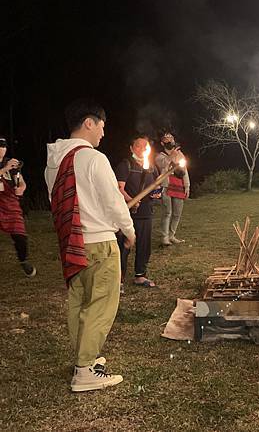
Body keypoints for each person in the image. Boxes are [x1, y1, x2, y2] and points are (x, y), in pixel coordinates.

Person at [45, 99, 135, 392]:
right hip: (100, 244)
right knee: (100, 306)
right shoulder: (94, 159)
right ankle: (84, 371)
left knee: (79, 303)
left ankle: (85, 358)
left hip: (73, 243)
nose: (103, 133)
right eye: (102, 126)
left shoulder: (53, 162)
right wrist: (129, 230)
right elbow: (114, 202)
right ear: (89, 123)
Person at [115, 135, 160, 289]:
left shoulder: (151, 167)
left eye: (144, 146)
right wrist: (130, 200)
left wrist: (157, 193)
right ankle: (118, 280)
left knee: (144, 245)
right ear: (131, 148)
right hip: (127, 213)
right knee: (124, 245)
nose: (141, 149)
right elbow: (119, 188)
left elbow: (156, 186)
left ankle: (140, 275)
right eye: (138, 146)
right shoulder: (126, 165)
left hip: (146, 212)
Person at [0, 136, 36, 277]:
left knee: (20, 234)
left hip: (10, 203)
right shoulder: (7, 165)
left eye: (3, 146)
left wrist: (21, 188)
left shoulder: (12, 164)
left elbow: (21, 182)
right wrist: (5, 168)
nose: (1, 149)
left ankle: (24, 260)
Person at [155, 132, 189, 246]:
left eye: (171, 139)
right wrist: (171, 156)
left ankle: (172, 235)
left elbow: (185, 171)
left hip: (179, 186)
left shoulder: (180, 154)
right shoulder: (160, 156)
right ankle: (165, 237)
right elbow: (162, 165)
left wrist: (187, 186)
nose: (170, 141)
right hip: (166, 186)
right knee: (167, 212)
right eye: (167, 139)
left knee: (177, 213)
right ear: (162, 143)